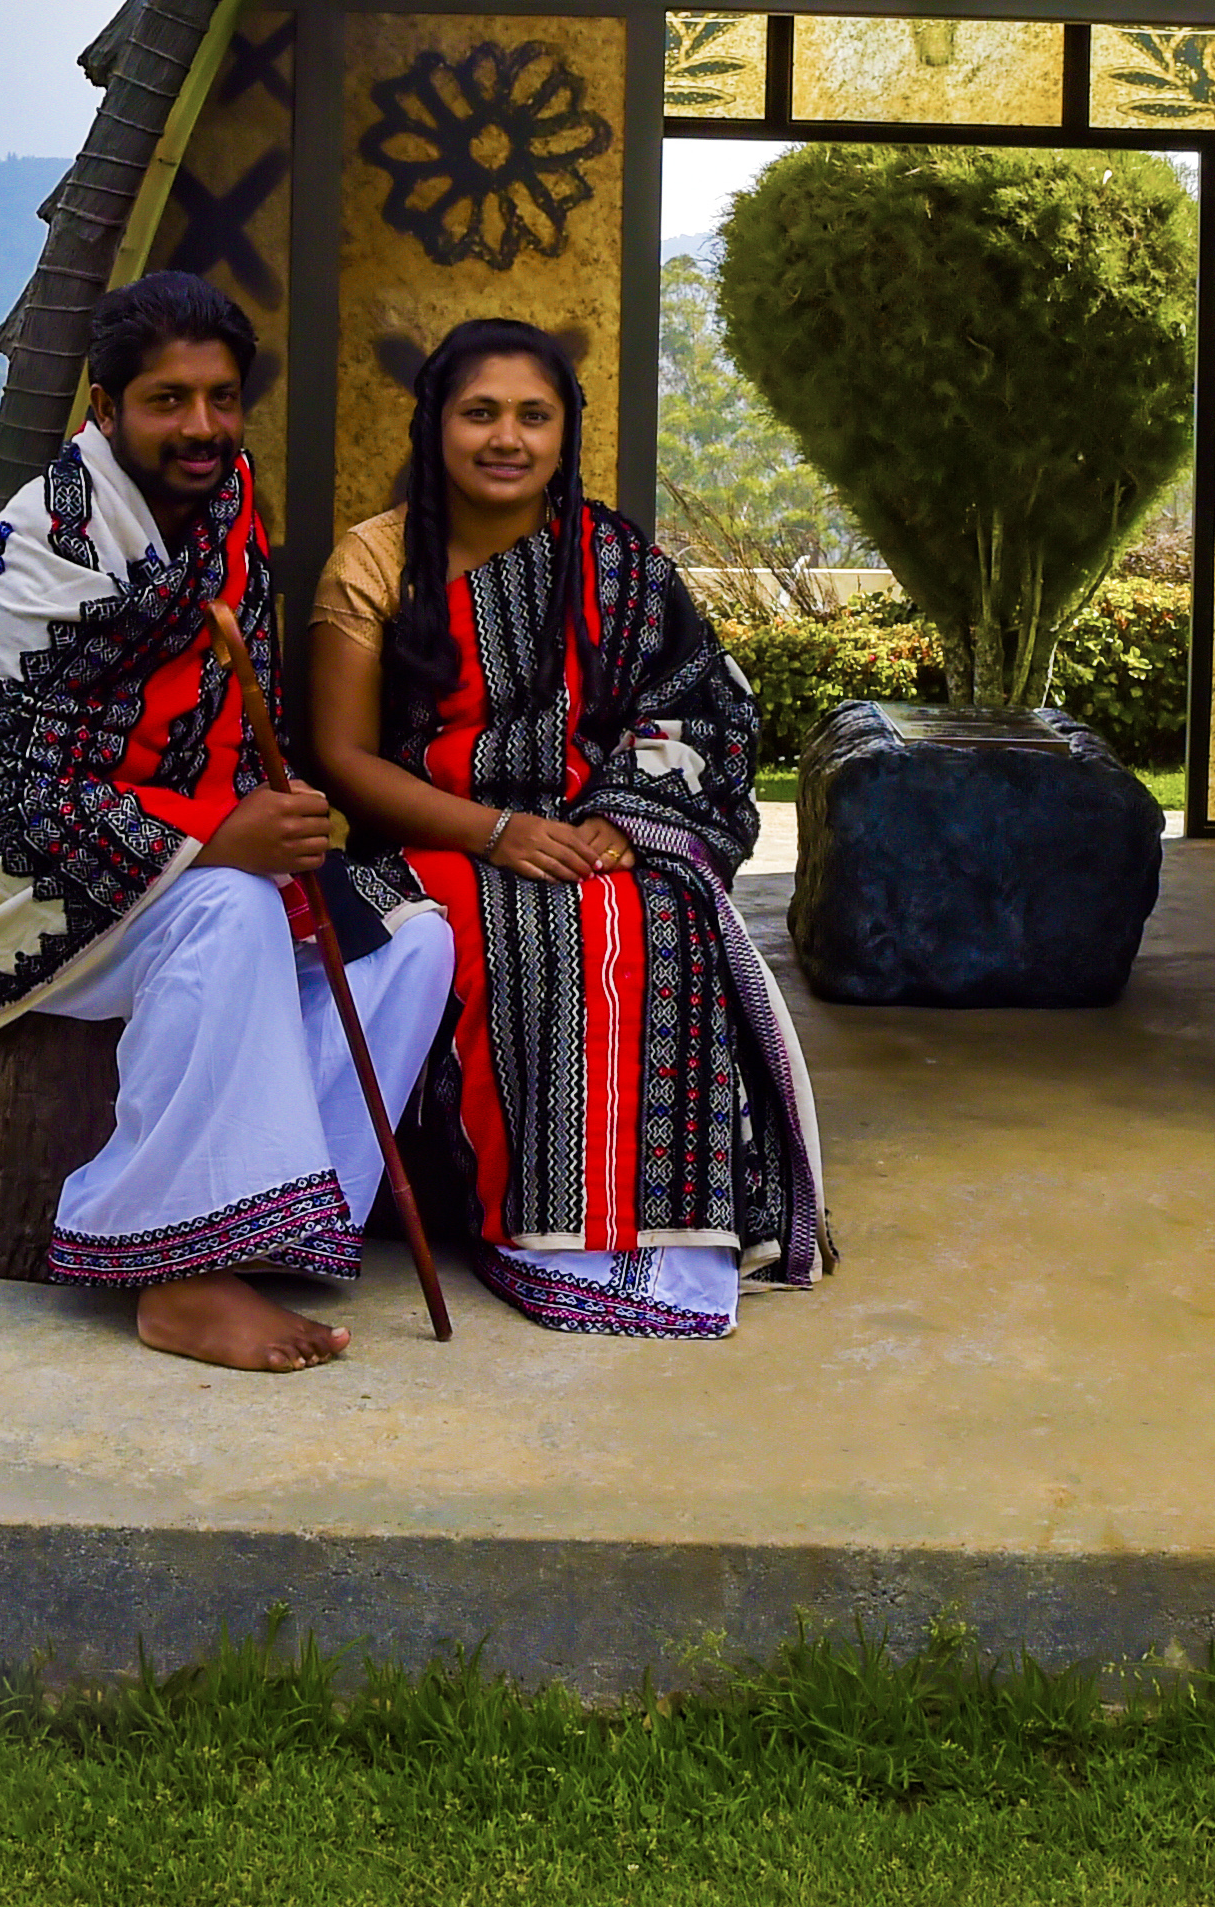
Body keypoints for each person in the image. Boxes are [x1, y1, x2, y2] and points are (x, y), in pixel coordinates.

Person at [0, 271, 455, 1374]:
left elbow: (229, 706)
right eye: (166, 400)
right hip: (12, 886)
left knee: (413, 939)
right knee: (228, 911)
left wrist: (278, 815)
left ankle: (279, 1224)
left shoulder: (225, 499)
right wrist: (219, 841)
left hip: (182, 839)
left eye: (218, 396)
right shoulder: (40, 552)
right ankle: (174, 1272)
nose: (199, 425)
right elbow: (28, 795)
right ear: (103, 410)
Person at [303, 317, 829, 1338]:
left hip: (588, 824)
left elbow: (695, 702)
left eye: (532, 416)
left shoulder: (613, 561)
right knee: (521, 926)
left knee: (660, 917)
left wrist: (624, 823)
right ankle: (530, 1226)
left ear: (563, 431)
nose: (506, 437)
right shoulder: (373, 561)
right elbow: (343, 760)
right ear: (435, 425)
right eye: (480, 413)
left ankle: (657, 1239)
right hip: (434, 838)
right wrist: (496, 833)